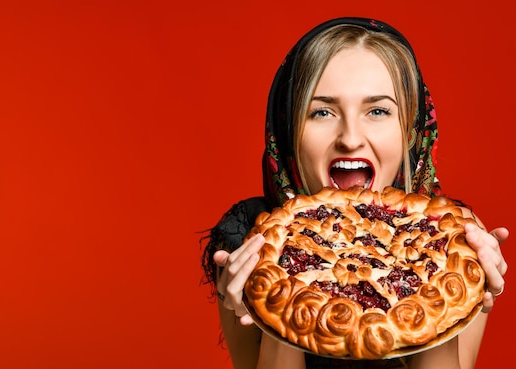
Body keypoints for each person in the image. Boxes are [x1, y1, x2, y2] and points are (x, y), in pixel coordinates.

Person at [200, 17, 509, 369]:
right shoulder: (249, 245)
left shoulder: (459, 246)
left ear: (411, 128)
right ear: (288, 128)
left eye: (377, 110)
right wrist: (274, 309)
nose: (350, 138)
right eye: (322, 112)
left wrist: (442, 293)